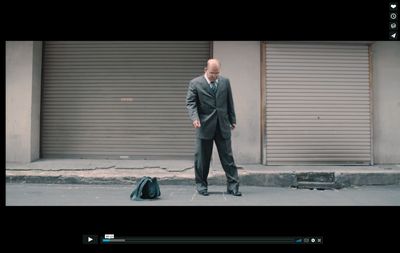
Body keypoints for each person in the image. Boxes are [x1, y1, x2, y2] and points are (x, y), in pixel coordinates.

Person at [186, 59, 241, 196]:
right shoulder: (195, 83)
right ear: (205, 69)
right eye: (212, 73)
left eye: (217, 73)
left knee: (228, 158)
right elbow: (191, 103)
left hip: (222, 125)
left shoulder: (225, 82)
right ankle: (201, 186)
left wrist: (232, 119)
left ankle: (233, 186)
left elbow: (230, 101)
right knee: (202, 159)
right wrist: (195, 118)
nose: (214, 76)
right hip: (204, 125)